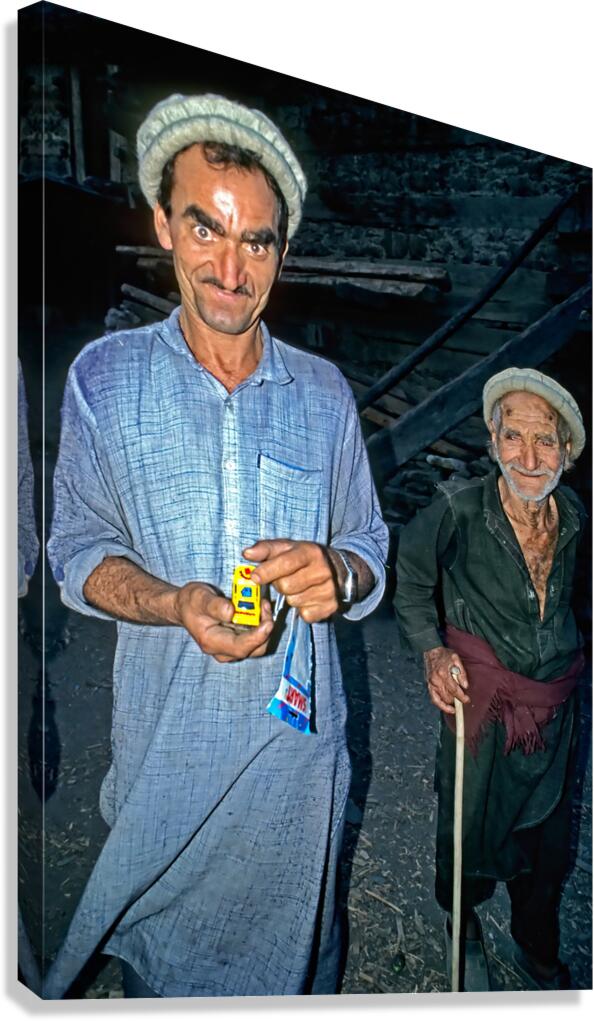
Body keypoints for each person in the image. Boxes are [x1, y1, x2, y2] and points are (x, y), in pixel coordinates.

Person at [45, 93, 388, 999]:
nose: (232, 269)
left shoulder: (325, 392)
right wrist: (172, 602)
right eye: (206, 228)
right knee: (163, 974)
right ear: (163, 224)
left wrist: (340, 571)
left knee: (291, 975)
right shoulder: (102, 381)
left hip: (295, 780)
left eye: (257, 242)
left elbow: (368, 542)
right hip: (165, 771)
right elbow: (75, 548)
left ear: (282, 251)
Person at [394, 367, 587, 992]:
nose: (528, 458)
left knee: (548, 839)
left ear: (567, 450)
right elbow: (412, 583)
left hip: (553, 710)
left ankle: (536, 942)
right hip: (479, 707)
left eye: (545, 440)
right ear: (493, 441)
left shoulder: (577, 517)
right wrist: (432, 652)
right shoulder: (458, 511)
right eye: (513, 437)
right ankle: (463, 921)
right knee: (468, 827)